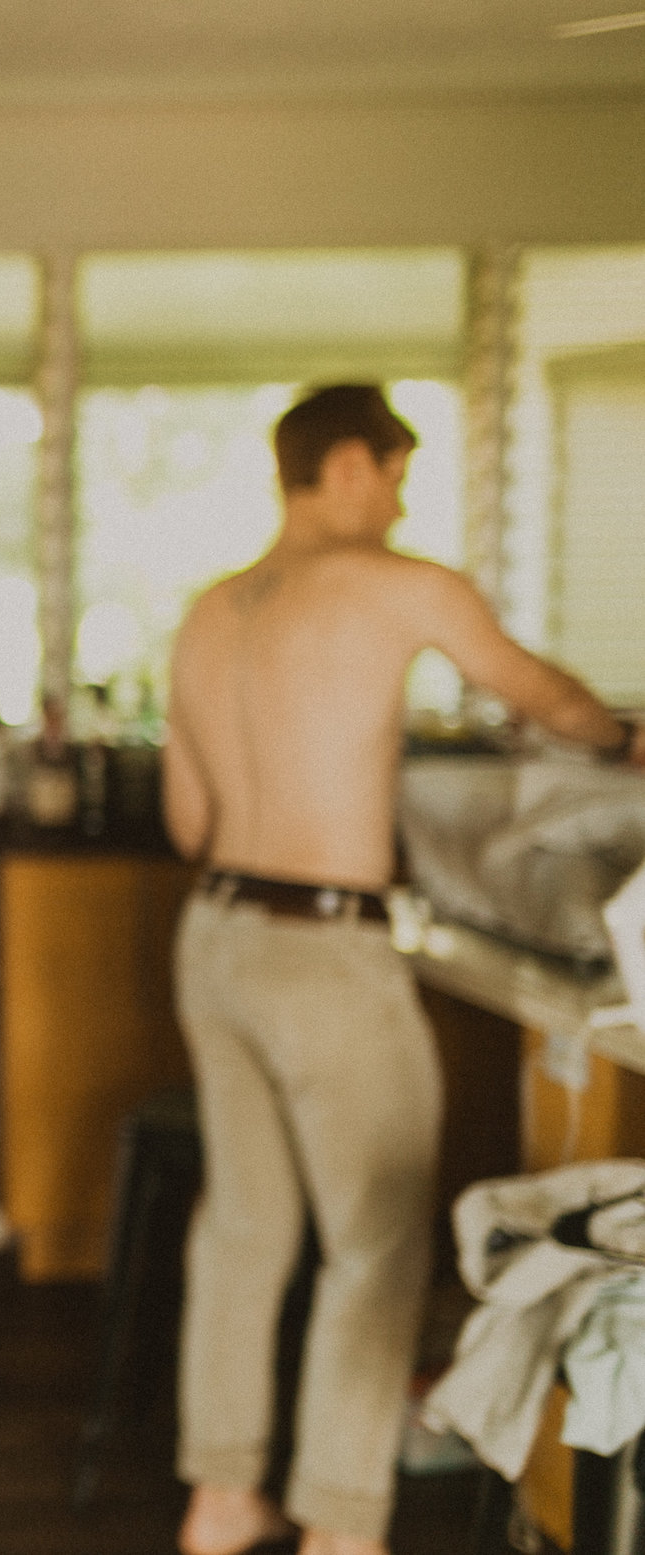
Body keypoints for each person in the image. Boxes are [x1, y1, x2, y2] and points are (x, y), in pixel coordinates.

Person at [163, 384, 645, 1555]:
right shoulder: (398, 584)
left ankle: (220, 1497)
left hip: (214, 934)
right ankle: (340, 1522)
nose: (398, 501)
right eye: (393, 474)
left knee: (242, 1226)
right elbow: (545, 696)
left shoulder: (208, 610)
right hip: (325, 947)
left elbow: (188, 821)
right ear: (344, 465)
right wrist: (628, 740)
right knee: (375, 1239)